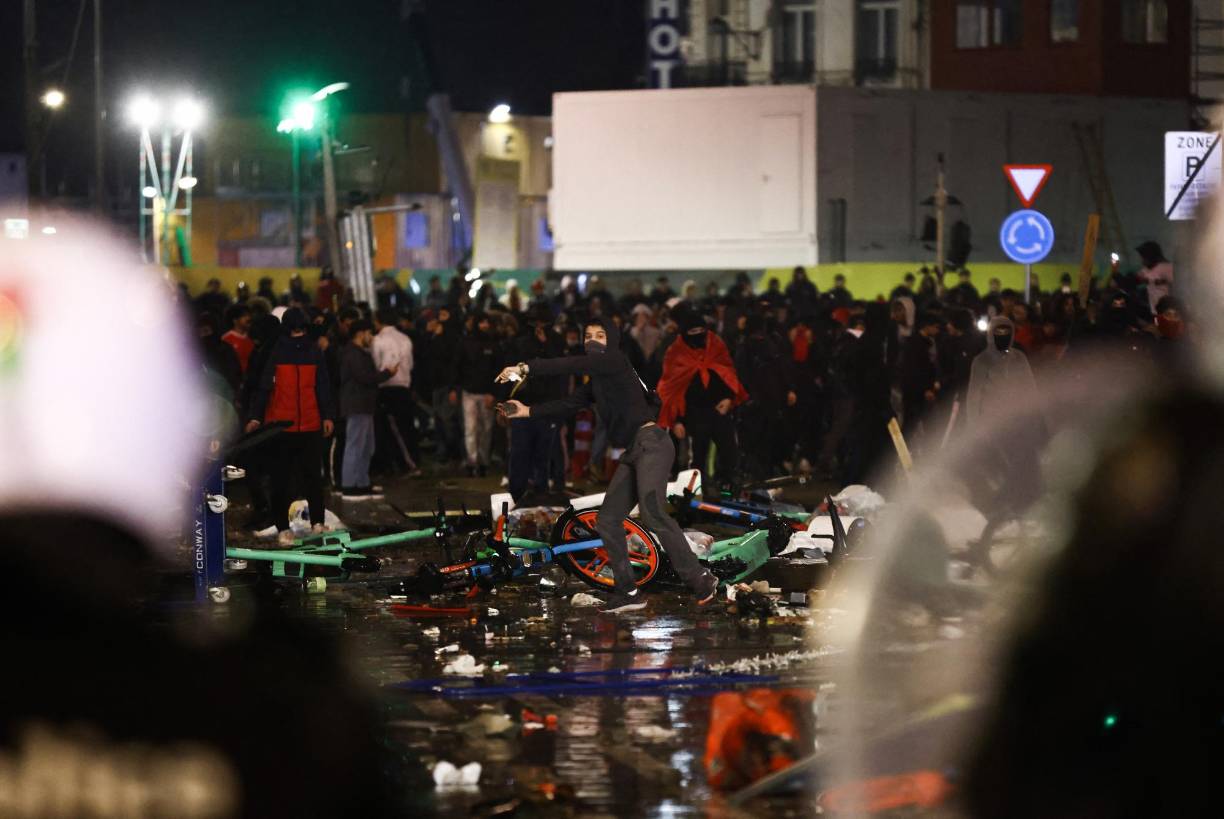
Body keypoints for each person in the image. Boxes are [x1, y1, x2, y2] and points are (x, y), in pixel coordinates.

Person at [496, 318, 720, 613]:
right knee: (608, 520)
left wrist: (525, 367)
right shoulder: (599, 382)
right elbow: (567, 404)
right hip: (635, 450)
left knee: (653, 515)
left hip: (652, 444)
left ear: (611, 341)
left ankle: (702, 579)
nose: (593, 340)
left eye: (600, 336)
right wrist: (526, 411)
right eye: (588, 335)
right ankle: (628, 591)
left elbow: (569, 364)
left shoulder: (614, 360)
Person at [245, 307, 336, 546]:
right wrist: (256, 416)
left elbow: (321, 386)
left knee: (298, 480)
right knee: (294, 480)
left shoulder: (294, 351)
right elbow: (321, 387)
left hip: (294, 425)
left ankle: (303, 526)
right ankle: (298, 526)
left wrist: (326, 415)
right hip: (289, 426)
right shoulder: (297, 351)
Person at [656, 302, 749, 485]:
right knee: (697, 460)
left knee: (730, 455)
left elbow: (727, 373)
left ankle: (730, 492)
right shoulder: (675, 352)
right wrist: (677, 421)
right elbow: (671, 389)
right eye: (692, 332)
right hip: (693, 416)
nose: (698, 335)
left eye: (701, 330)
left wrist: (729, 398)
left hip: (719, 411)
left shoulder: (715, 345)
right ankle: (695, 497)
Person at [504, 307, 566, 502]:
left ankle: (541, 491)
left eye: (543, 323)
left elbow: (559, 370)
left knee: (544, 453)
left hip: (547, 406)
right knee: (520, 452)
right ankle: (517, 493)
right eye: (535, 323)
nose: (539, 327)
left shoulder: (556, 341)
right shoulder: (519, 343)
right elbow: (510, 375)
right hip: (523, 406)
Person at [339, 320, 397, 499]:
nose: (371, 337)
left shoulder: (359, 353)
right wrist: (387, 373)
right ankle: (350, 485)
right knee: (356, 446)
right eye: (369, 334)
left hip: (364, 406)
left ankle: (362, 483)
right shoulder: (353, 354)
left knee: (366, 447)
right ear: (360, 334)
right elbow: (365, 377)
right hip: (357, 406)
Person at [371, 308, 419, 476]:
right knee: (406, 426)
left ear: (378, 321)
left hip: (387, 387)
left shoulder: (378, 340)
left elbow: (376, 366)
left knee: (392, 430)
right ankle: (411, 461)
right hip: (404, 386)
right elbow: (411, 365)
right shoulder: (405, 338)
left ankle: (406, 465)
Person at [456, 312, 500, 476]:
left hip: (487, 394)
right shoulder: (465, 343)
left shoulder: (494, 345)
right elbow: (458, 367)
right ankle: (472, 462)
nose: (485, 325)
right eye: (481, 322)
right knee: (471, 428)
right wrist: (456, 389)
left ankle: (483, 462)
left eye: (487, 322)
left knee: (486, 429)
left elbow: (498, 370)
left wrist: (493, 392)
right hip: (469, 393)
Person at [1136, 240, 1173, 317]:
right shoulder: (1147, 269)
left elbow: (1172, 282)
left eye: (1144, 257)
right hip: (1154, 308)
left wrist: (1151, 281)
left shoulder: (1166, 266)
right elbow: (1139, 277)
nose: (1143, 260)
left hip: (1166, 306)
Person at [221, 303, 255, 375]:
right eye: (244, 316)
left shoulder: (252, 339)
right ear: (235, 320)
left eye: (249, 315)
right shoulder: (226, 339)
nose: (248, 318)